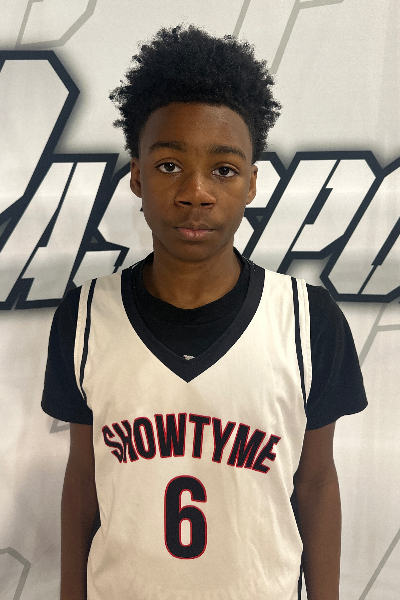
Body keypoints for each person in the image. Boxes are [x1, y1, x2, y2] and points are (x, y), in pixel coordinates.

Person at [42, 25, 367, 600]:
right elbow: (83, 483)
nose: (196, 191)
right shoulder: (85, 317)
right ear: (137, 176)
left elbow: (316, 485)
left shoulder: (308, 320)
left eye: (223, 169)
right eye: (169, 165)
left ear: (251, 184)